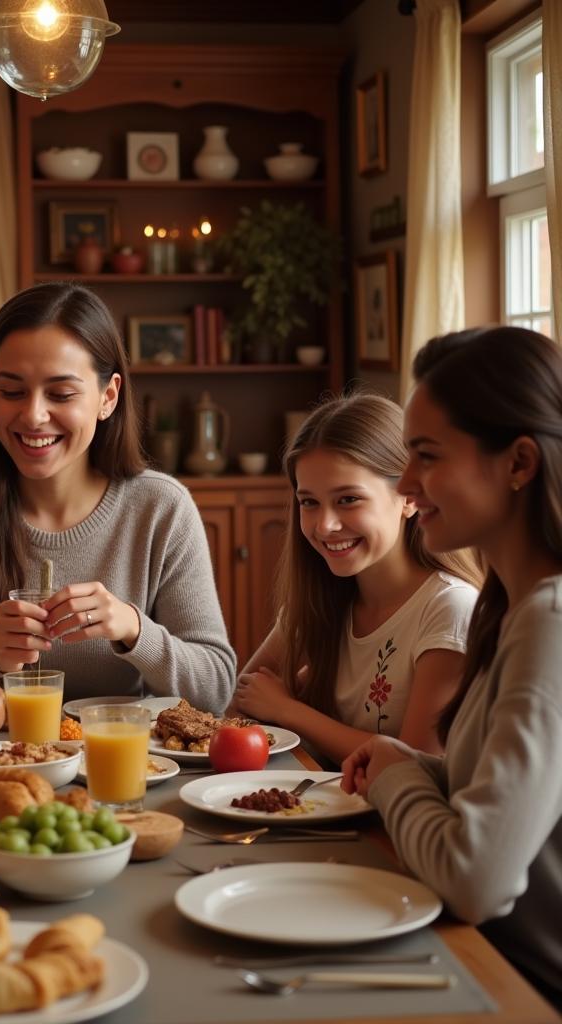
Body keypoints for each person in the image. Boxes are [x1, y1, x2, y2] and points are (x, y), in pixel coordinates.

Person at [0, 282, 236, 711]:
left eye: (61, 393)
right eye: (12, 391)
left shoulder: (161, 509)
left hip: (123, 772)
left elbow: (216, 688)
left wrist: (133, 629)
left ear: (108, 397)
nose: (33, 415)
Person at [342, 327, 562, 1008]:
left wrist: (398, 781)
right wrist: (412, 762)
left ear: (518, 463)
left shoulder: (548, 622)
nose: (405, 484)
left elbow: (476, 877)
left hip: (516, 986)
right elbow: (520, 800)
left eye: (426, 456)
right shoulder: (511, 603)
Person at [232, 393, 480, 764]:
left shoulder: (448, 609)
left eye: (348, 499)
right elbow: (242, 703)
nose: (325, 525)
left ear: (410, 497)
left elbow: (416, 765)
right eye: (309, 502)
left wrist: (289, 710)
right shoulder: (321, 597)